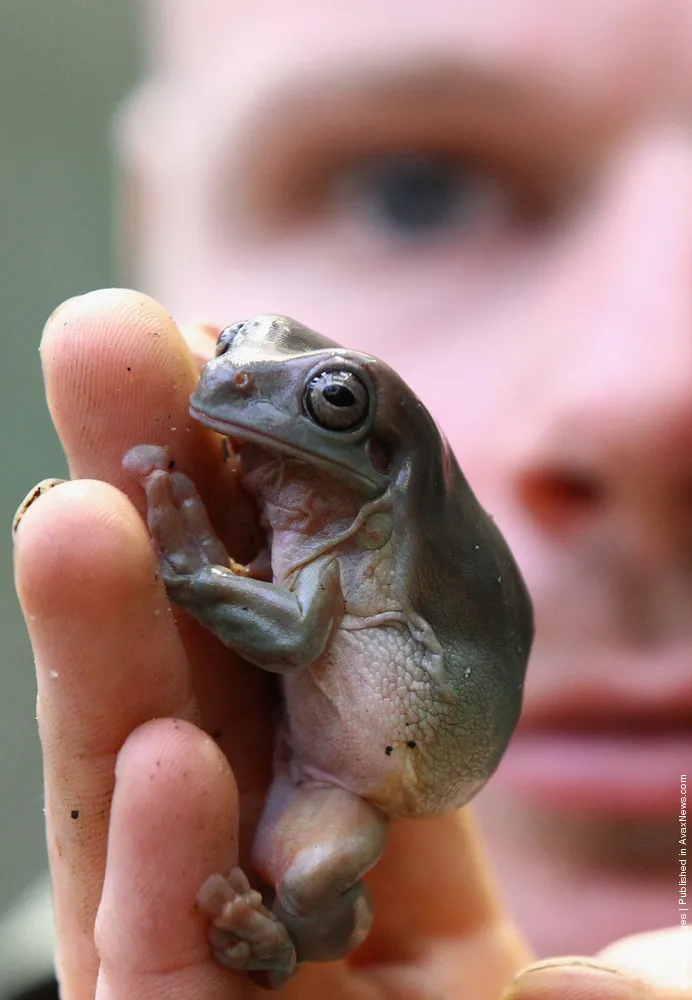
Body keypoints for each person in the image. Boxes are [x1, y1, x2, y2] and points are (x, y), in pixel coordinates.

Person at [11, 0, 692, 996]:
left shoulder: (360, 542)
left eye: (327, 400)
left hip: (364, 765)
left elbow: (291, 633)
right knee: (312, 856)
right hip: (332, 770)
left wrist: (199, 572)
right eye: (410, 191)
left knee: (322, 862)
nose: (640, 403)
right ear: (149, 226)